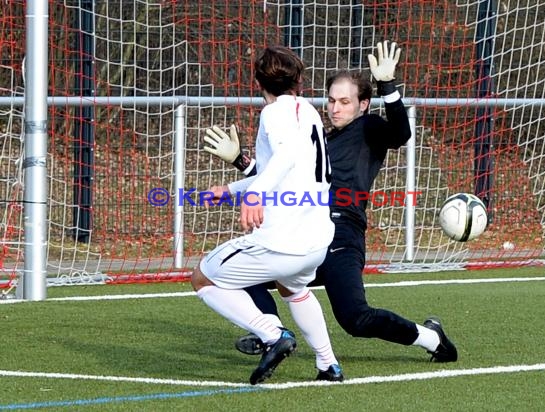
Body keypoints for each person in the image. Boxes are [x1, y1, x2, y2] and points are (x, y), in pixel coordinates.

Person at [203, 40, 458, 363]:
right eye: (331, 100)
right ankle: (273, 334)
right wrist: (241, 163)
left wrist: (387, 86)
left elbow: (400, 134)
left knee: (356, 319)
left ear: (363, 104)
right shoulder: (318, 136)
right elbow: (284, 179)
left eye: (345, 101)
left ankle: (431, 338)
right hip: (308, 230)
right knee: (243, 274)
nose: (335, 108)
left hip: (341, 236)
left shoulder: (368, 128)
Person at [192, 45, 344, 385]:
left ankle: (272, 335)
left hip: (282, 241)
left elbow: (286, 157)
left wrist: (256, 194)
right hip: (316, 240)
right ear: (300, 81)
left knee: (202, 278)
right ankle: (328, 365)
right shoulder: (308, 110)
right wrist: (233, 190)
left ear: (258, 82)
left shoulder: (273, 113)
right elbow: (287, 167)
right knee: (294, 290)